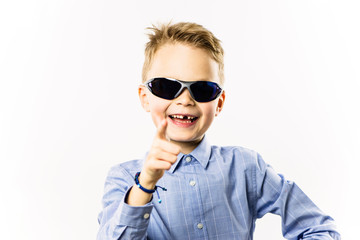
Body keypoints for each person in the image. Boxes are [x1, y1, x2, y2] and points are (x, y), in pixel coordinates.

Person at [97, 22, 340, 240]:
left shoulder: (246, 167)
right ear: (145, 98)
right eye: (167, 86)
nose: (185, 100)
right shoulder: (124, 179)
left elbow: (319, 228)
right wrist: (145, 185)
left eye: (202, 89)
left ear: (219, 102)